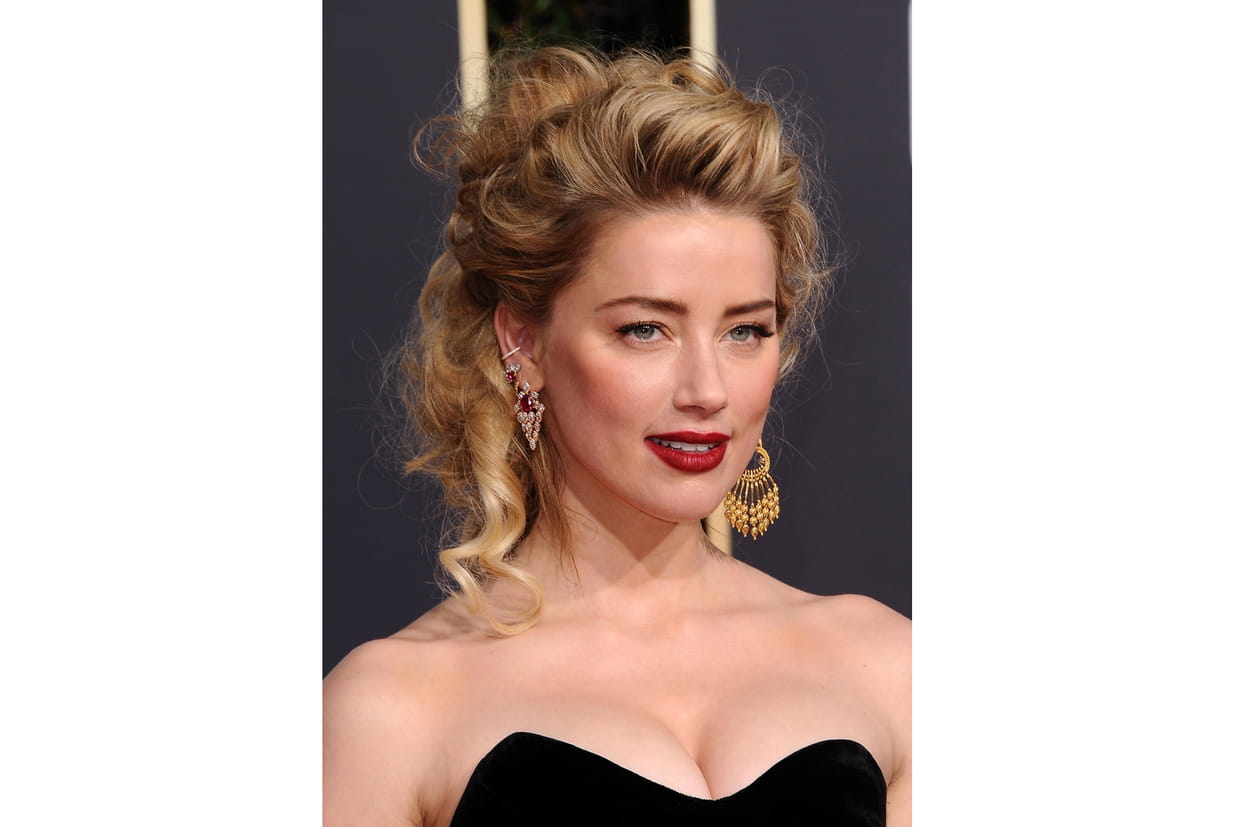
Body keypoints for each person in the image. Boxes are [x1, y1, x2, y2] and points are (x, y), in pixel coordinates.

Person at [324, 45, 910, 826]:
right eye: (645, 329)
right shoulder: (390, 708)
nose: (707, 390)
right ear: (524, 344)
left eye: (745, 331)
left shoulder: (889, 666)